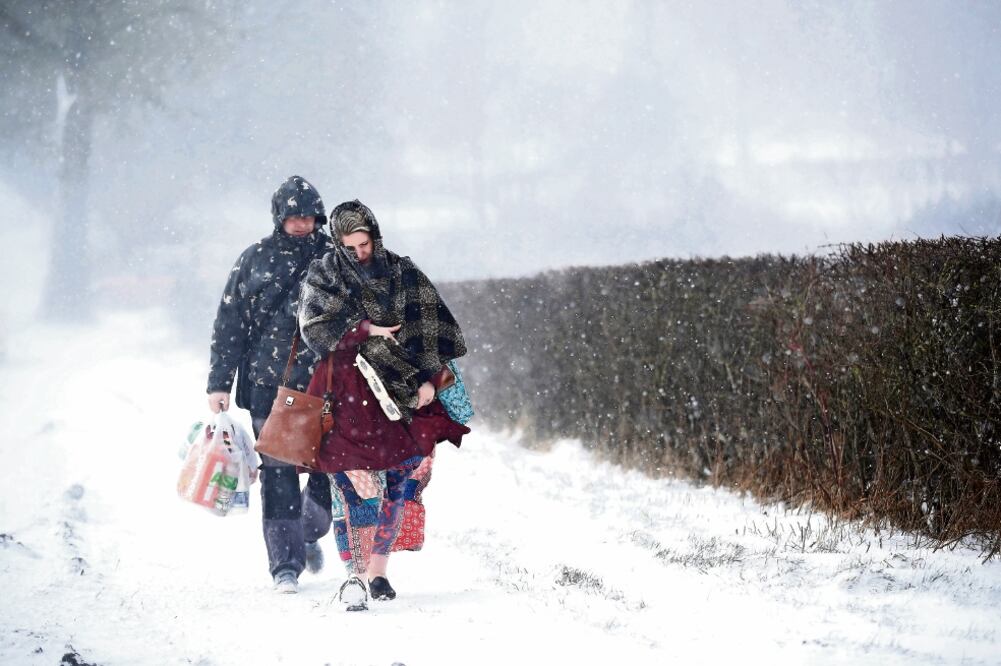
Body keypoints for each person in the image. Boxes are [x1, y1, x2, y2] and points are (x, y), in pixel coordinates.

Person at [298, 199, 470, 611]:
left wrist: (431, 379)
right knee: (349, 482)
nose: (361, 253)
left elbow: (429, 329)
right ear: (338, 243)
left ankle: (379, 571)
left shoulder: (403, 272)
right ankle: (354, 575)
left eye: (366, 243)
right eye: (351, 245)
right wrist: (364, 329)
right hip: (345, 391)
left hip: (401, 392)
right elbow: (313, 328)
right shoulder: (324, 275)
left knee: (401, 480)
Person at [205, 175, 334, 594]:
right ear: (279, 217)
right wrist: (218, 382)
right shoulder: (254, 260)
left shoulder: (335, 257)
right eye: (294, 216)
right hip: (269, 385)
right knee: (278, 474)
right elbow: (230, 324)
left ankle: (309, 529)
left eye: (308, 216)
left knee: (330, 467)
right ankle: (285, 565)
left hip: (327, 383)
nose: (302, 224)